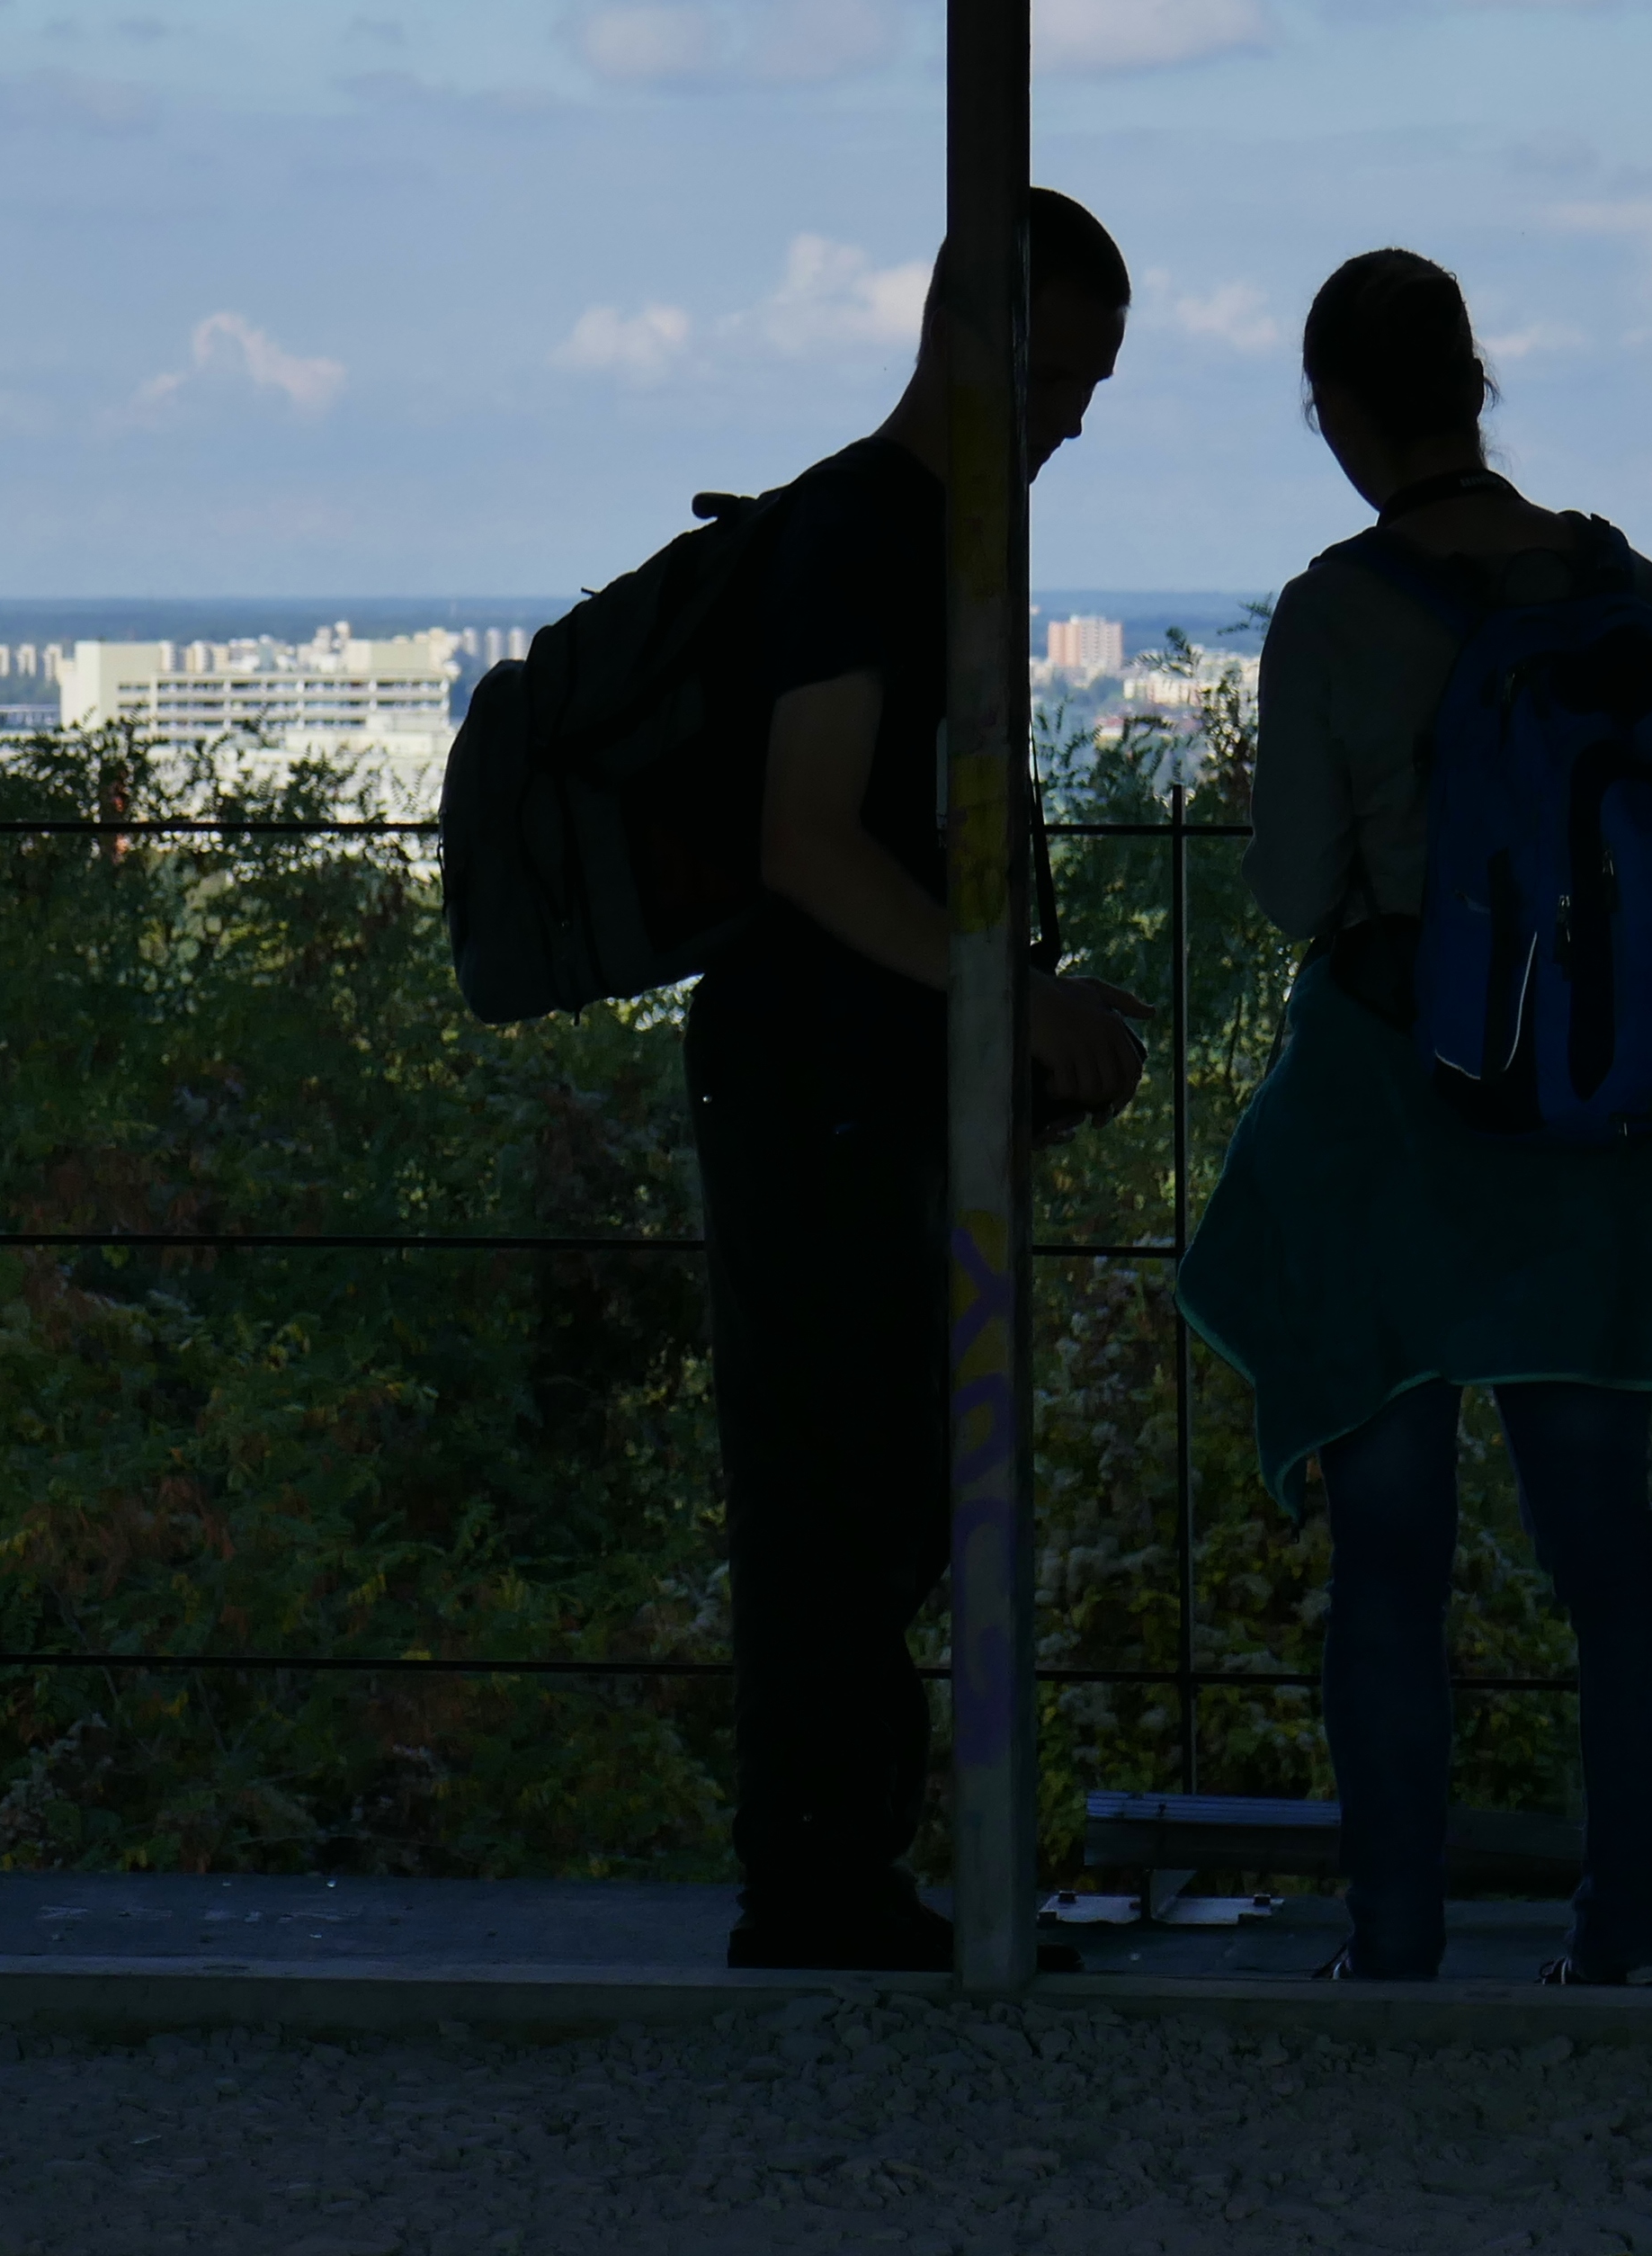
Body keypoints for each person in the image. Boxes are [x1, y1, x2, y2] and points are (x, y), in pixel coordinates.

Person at [1174, 247, 1652, 1988]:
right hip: (1598, 1112)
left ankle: (1399, 1942)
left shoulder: (1335, 608)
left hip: (1401, 1111)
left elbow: (1293, 893)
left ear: (1336, 411)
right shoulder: (1616, 573)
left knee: (1392, 1558)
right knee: (1604, 1538)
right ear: (1477, 384)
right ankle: (1624, 1939)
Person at [693, 188, 1149, 1974]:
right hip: (820, 1088)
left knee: (875, 1490)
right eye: (1062, 375)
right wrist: (1007, 998)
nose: (1074, 421)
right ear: (978, 340)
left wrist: (1008, 1006)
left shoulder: (896, 531)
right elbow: (812, 840)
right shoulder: (875, 538)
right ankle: (819, 1887)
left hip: (843, 1078)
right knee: (844, 1493)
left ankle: (840, 1878)